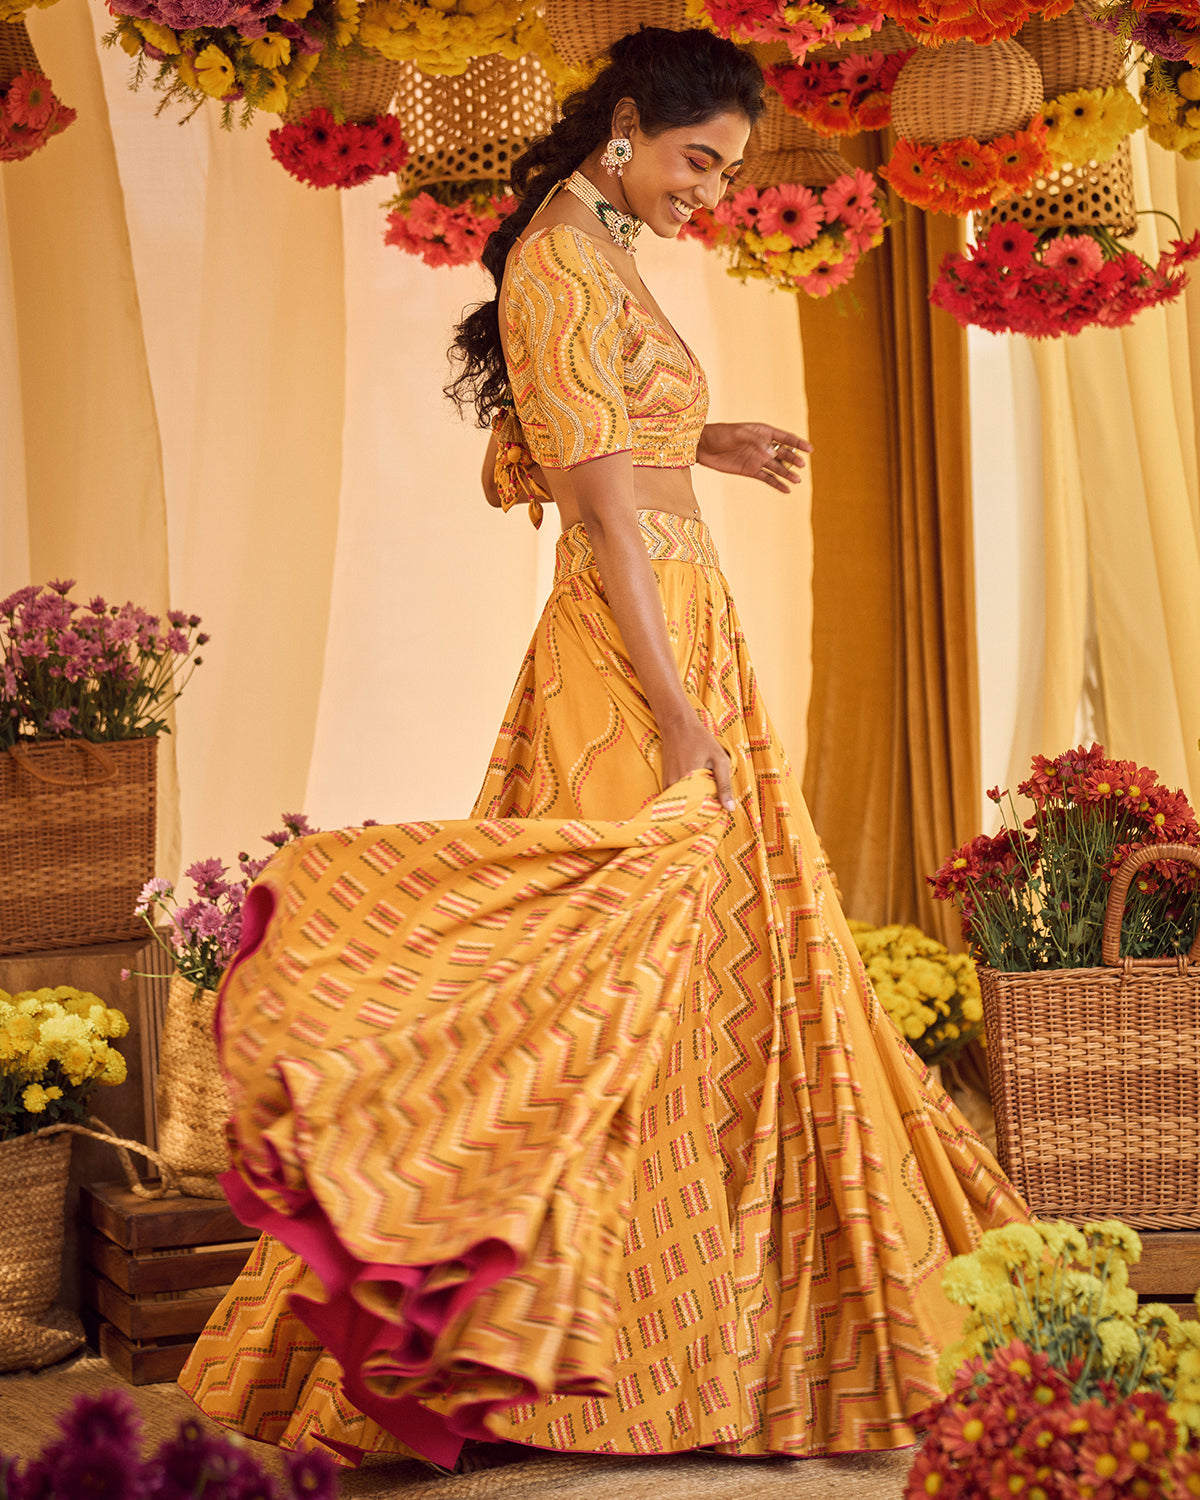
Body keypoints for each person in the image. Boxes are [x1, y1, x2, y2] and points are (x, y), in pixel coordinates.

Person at [180, 26, 1028, 1472]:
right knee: (598, 975)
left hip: (680, 628)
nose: (712, 191)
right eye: (701, 160)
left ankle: (703, 1331)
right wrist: (676, 704)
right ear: (627, 124)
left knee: (706, 967)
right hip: (633, 652)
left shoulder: (599, 247)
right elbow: (597, 510)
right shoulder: (560, 263)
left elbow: (609, 445)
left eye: (732, 172)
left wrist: (709, 441)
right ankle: (571, 1350)